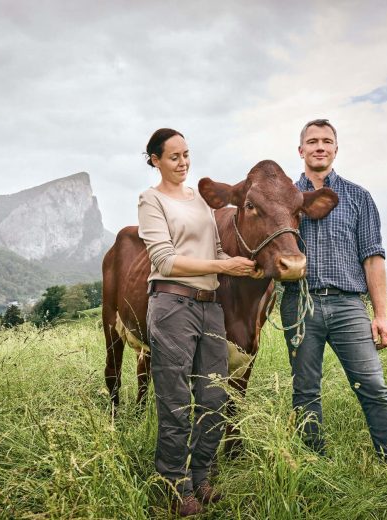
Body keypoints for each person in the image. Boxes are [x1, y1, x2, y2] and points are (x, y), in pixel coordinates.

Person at [280, 119, 387, 474]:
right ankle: (312, 463)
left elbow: (372, 257)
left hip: (348, 304)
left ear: (335, 149)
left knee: (372, 385)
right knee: (305, 390)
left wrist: (381, 314)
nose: (319, 146)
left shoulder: (358, 197)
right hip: (300, 303)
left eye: (327, 141)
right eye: (312, 141)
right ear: (301, 151)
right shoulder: (285, 198)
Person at [137, 128, 256, 516]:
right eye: (173, 156)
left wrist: (246, 268)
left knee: (213, 398)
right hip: (172, 304)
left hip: (210, 306)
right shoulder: (151, 200)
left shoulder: (200, 201)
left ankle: (201, 478)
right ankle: (176, 487)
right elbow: (165, 260)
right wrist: (222, 265)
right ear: (155, 159)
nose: (183, 163)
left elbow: (218, 249)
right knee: (175, 403)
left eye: (186, 154)